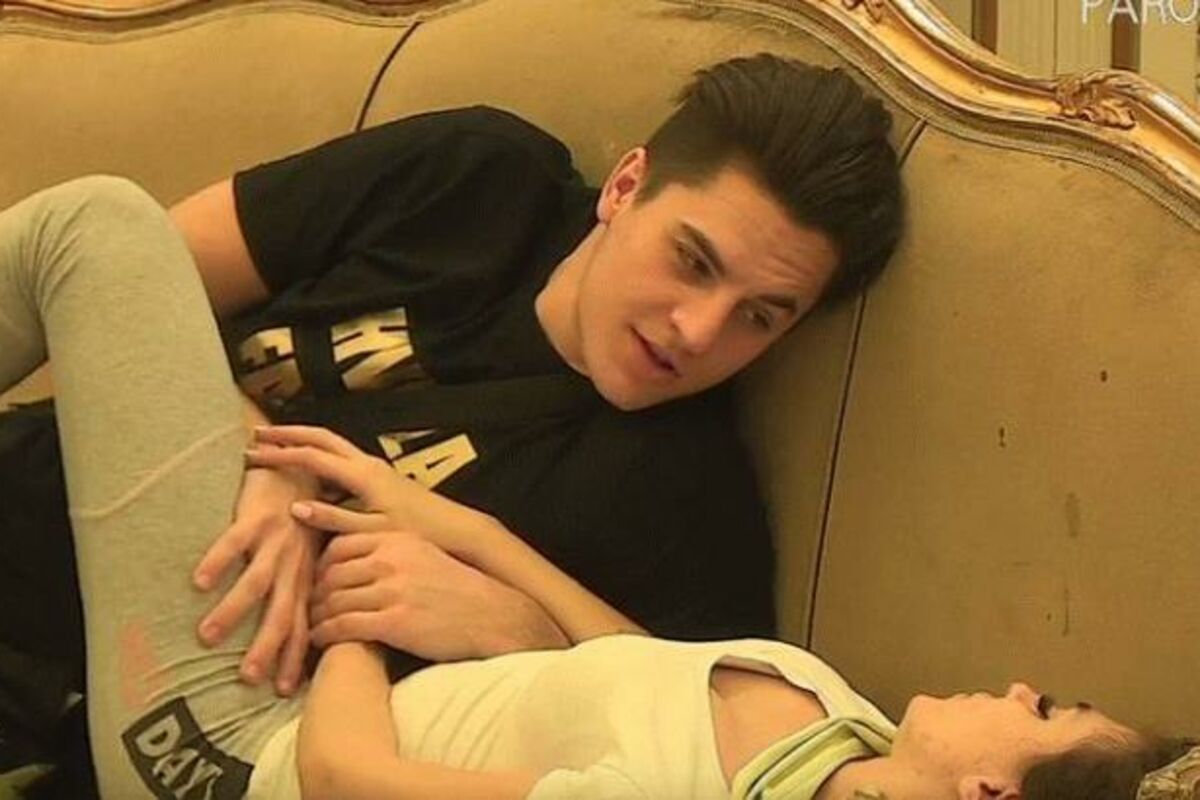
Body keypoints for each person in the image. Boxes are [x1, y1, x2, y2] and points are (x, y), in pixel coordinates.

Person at [0, 181, 1190, 799]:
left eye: (1048, 708)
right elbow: (635, 661)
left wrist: (338, 600)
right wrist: (449, 527)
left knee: (93, 227)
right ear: (624, 190)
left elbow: (347, 780)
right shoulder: (844, 722)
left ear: (986, 793)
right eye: (693, 260)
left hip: (236, 753)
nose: (1023, 682)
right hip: (271, 652)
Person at [0, 51, 903, 706]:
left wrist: (523, 636)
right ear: (627, 187)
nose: (698, 332)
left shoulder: (684, 498)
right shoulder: (477, 178)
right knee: (95, 223)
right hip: (34, 498)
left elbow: (723, 734)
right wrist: (264, 459)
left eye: (759, 317)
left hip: (153, 701)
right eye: (692, 261)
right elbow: (122, 283)